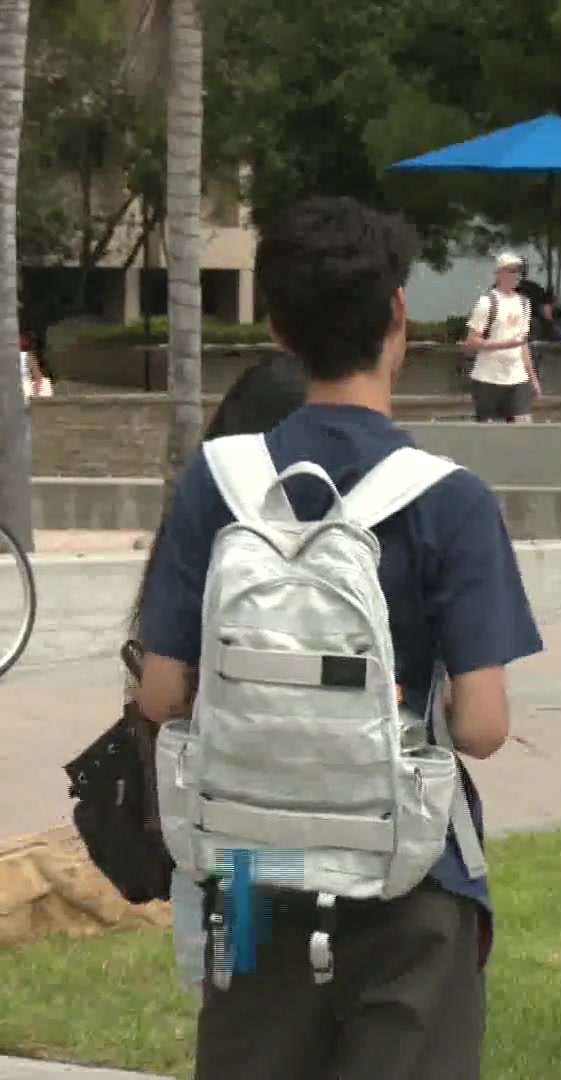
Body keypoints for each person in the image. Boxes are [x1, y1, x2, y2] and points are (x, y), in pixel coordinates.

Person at [136, 197, 544, 1080]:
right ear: (399, 313)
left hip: (247, 870)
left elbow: (161, 696)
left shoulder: (218, 482)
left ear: (278, 327)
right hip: (409, 875)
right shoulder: (450, 499)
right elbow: (479, 726)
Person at [125, 352, 309, 994]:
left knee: (240, 1018)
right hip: (345, 838)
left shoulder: (201, 516)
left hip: (228, 830)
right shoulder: (343, 530)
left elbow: (159, 695)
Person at [461, 252, 542, 423]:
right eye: (511, 271)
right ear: (499, 274)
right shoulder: (487, 302)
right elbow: (472, 340)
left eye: (519, 272)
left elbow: (522, 343)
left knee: (523, 426)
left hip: (517, 377)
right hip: (488, 378)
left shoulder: (524, 303)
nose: (516, 276)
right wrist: (505, 344)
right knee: (489, 432)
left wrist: (533, 378)